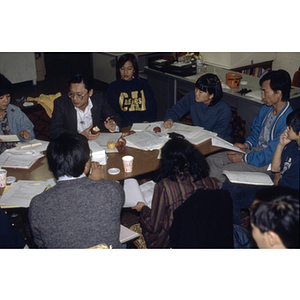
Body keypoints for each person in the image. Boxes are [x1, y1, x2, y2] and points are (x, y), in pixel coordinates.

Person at [28, 132, 125, 249]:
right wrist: (99, 182)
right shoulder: (111, 190)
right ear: (87, 163)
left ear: (50, 167)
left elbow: (41, 244)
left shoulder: (37, 205)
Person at [207, 69, 294, 183]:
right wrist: (246, 145)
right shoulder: (267, 108)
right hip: (254, 152)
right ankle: (209, 189)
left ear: (279, 93)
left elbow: (269, 155)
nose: (262, 96)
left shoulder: (288, 121)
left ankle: (216, 194)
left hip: (267, 163)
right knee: (211, 160)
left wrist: (243, 158)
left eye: (265, 91)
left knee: (224, 173)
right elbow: (256, 131)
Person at [132, 137, 220, 248]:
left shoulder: (165, 186)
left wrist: (143, 209)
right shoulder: (212, 182)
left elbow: (154, 226)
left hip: (175, 238)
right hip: (204, 233)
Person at [222, 108, 300, 225]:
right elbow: (274, 168)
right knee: (229, 186)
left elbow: (279, 183)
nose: (287, 129)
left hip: (286, 198)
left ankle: (236, 234)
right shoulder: (293, 145)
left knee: (233, 191)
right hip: (276, 183)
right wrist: (280, 144)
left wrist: (277, 173)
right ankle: (233, 232)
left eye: (290, 126)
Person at [49, 74, 121, 141]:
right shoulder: (61, 103)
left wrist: (113, 125)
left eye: (79, 95)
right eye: (71, 94)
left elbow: (114, 116)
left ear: (90, 93)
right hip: (73, 144)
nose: (74, 98)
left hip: (96, 142)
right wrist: (79, 136)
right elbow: (54, 131)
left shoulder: (99, 99)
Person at [163, 73, 232, 141]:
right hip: (198, 137)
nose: (196, 93)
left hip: (219, 144)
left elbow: (217, 137)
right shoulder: (191, 97)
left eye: (201, 92)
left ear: (211, 95)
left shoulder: (224, 110)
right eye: (196, 89)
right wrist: (169, 119)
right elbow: (175, 110)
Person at [105, 53, 157, 128]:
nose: (125, 72)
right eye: (122, 68)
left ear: (134, 70)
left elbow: (152, 107)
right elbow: (110, 111)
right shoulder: (113, 87)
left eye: (129, 69)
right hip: (122, 127)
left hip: (143, 126)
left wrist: (148, 120)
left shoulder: (143, 85)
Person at [0, 73, 35, 153]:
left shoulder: (14, 111)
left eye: (8, 96)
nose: (6, 100)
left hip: (17, 152)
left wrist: (26, 133)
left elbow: (28, 127)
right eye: (1, 98)